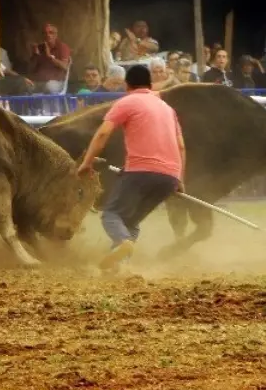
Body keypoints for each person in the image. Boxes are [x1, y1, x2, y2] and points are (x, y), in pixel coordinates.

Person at [76, 64, 185, 274]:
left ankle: (123, 242)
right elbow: (181, 146)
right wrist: (179, 179)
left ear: (127, 85)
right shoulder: (168, 109)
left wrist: (86, 163)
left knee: (111, 214)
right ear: (151, 85)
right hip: (170, 176)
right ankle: (120, 265)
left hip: (140, 171)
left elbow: (102, 134)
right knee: (131, 221)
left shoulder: (127, 102)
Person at [29, 23, 71, 93]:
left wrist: (50, 56)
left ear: (56, 35)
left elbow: (65, 66)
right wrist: (35, 55)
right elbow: (30, 69)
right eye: (45, 33)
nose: (48, 35)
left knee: (49, 86)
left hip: (56, 82)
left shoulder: (62, 47)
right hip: (39, 82)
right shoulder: (39, 47)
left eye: (51, 33)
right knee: (25, 86)